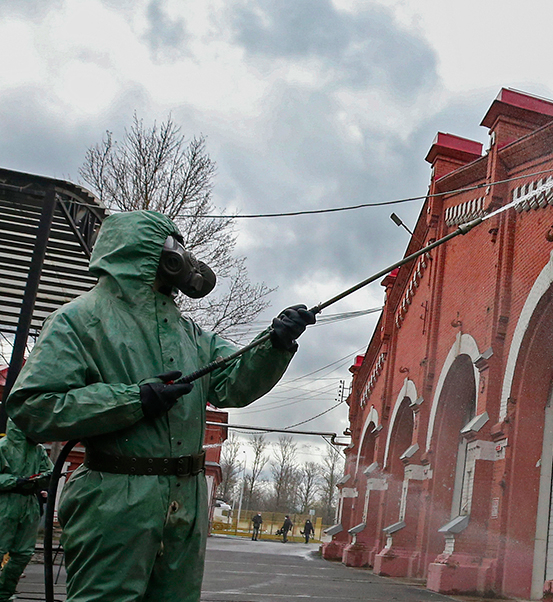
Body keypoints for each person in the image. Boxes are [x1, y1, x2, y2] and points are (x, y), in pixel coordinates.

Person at [7, 210, 316, 602]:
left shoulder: (189, 333)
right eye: (174, 250)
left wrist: (274, 345)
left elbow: (231, 384)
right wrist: (133, 399)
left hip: (185, 501)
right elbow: (34, 404)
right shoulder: (78, 321)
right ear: (144, 254)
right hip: (115, 498)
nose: (184, 261)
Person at [0, 419, 51, 602]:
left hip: (29, 503)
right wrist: (14, 481)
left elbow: (49, 471)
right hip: (5, 502)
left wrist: (43, 479)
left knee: (23, 553)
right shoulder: (2, 447)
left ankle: (4, 593)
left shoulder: (38, 451)